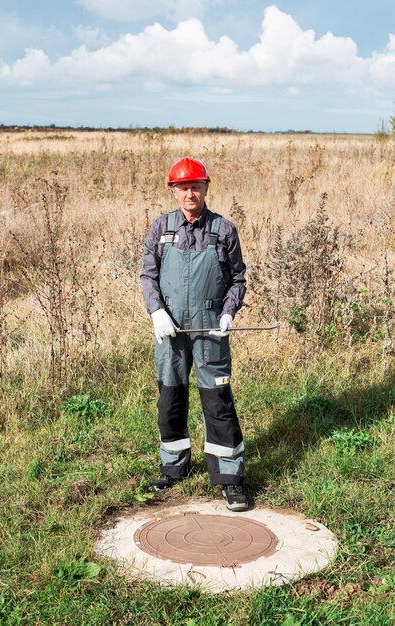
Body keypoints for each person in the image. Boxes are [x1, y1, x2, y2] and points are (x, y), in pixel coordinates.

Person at [140, 157, 248, 511]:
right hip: (170, 331)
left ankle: (230, 478)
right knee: (170, 398)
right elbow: (148, 276)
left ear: (206, 187)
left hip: (210, 330)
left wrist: (229, 312)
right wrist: (156, 311)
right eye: (183, 187)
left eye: (196, 186)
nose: (190, 193)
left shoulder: (224, 230)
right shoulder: (161, 228)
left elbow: (237, 279)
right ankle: (173, 468)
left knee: (217, 402)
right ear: (173, 190)